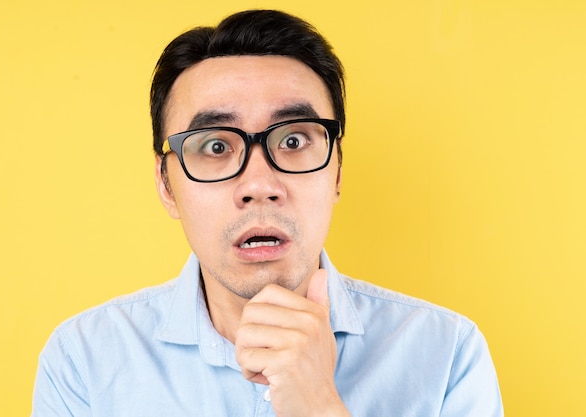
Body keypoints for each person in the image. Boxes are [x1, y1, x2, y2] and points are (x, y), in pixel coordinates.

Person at [31, 9, 503, 417]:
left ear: (337, 172)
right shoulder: (84, 359)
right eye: (215, 145)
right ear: (167, 185)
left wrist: (319, 406)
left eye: (294, 141)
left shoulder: (447, 355)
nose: (260, 186)